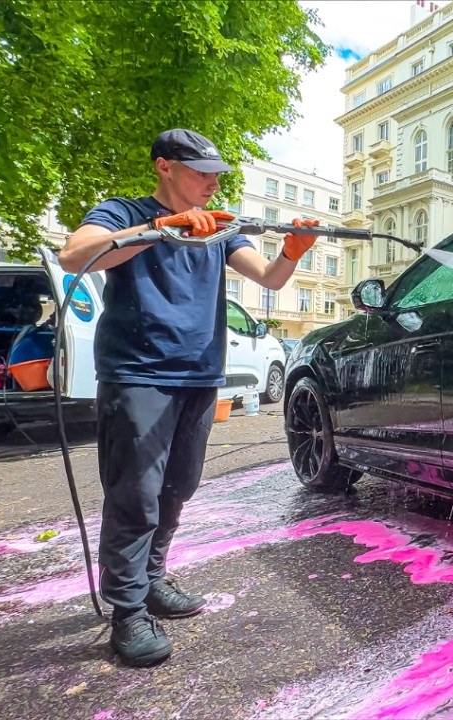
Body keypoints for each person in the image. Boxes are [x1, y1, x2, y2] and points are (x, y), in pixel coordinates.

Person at [58, 128, 320, 668]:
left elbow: (270, 278)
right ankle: (127, 609)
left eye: (216, 173)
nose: (211, 182)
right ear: (164, 167)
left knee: (177, 487)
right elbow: (75, 255)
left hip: (200, 376)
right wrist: (160, 228)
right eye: (201, 171)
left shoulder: (220, 230)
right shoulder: (121, 211)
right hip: (138, 374)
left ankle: (151, 580)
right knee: (135, 491)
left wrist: (292, 251)